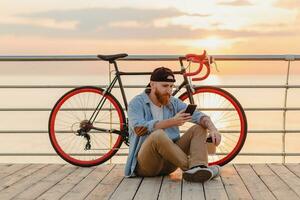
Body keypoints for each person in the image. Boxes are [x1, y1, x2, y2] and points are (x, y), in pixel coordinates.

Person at [124, 67, 222, 182]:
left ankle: (198, 168)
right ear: (152, 84)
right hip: (146, 166)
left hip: (169, 165)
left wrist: (213, 129)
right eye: (165, 86)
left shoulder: (173, 102)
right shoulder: (136, 103)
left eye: (171, 86)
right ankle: (197, 169)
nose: (169, 91)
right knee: (158, 135)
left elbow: (199, 116)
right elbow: (138, 128)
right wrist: (172, 122)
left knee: (199, 128)